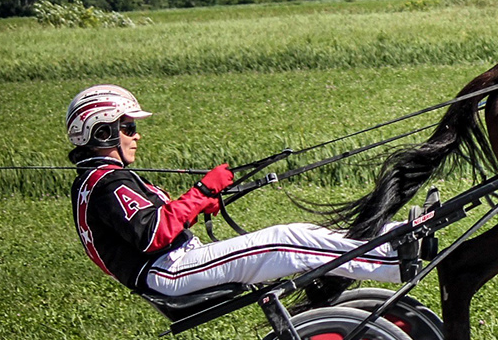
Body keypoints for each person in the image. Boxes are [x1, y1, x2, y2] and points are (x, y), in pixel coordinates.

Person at [66, 84, 400, 301]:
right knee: (286, 240)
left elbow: (153, 226)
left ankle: (391, 237)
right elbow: (152, 233)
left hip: (173, 265)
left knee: (301, 235)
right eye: (129, 127)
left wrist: (198, 205)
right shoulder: (106, 183)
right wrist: (202, 190)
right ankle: (394, 264)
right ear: (104, 131)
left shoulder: (99, 180)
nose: (136, 135)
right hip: (169, 272)